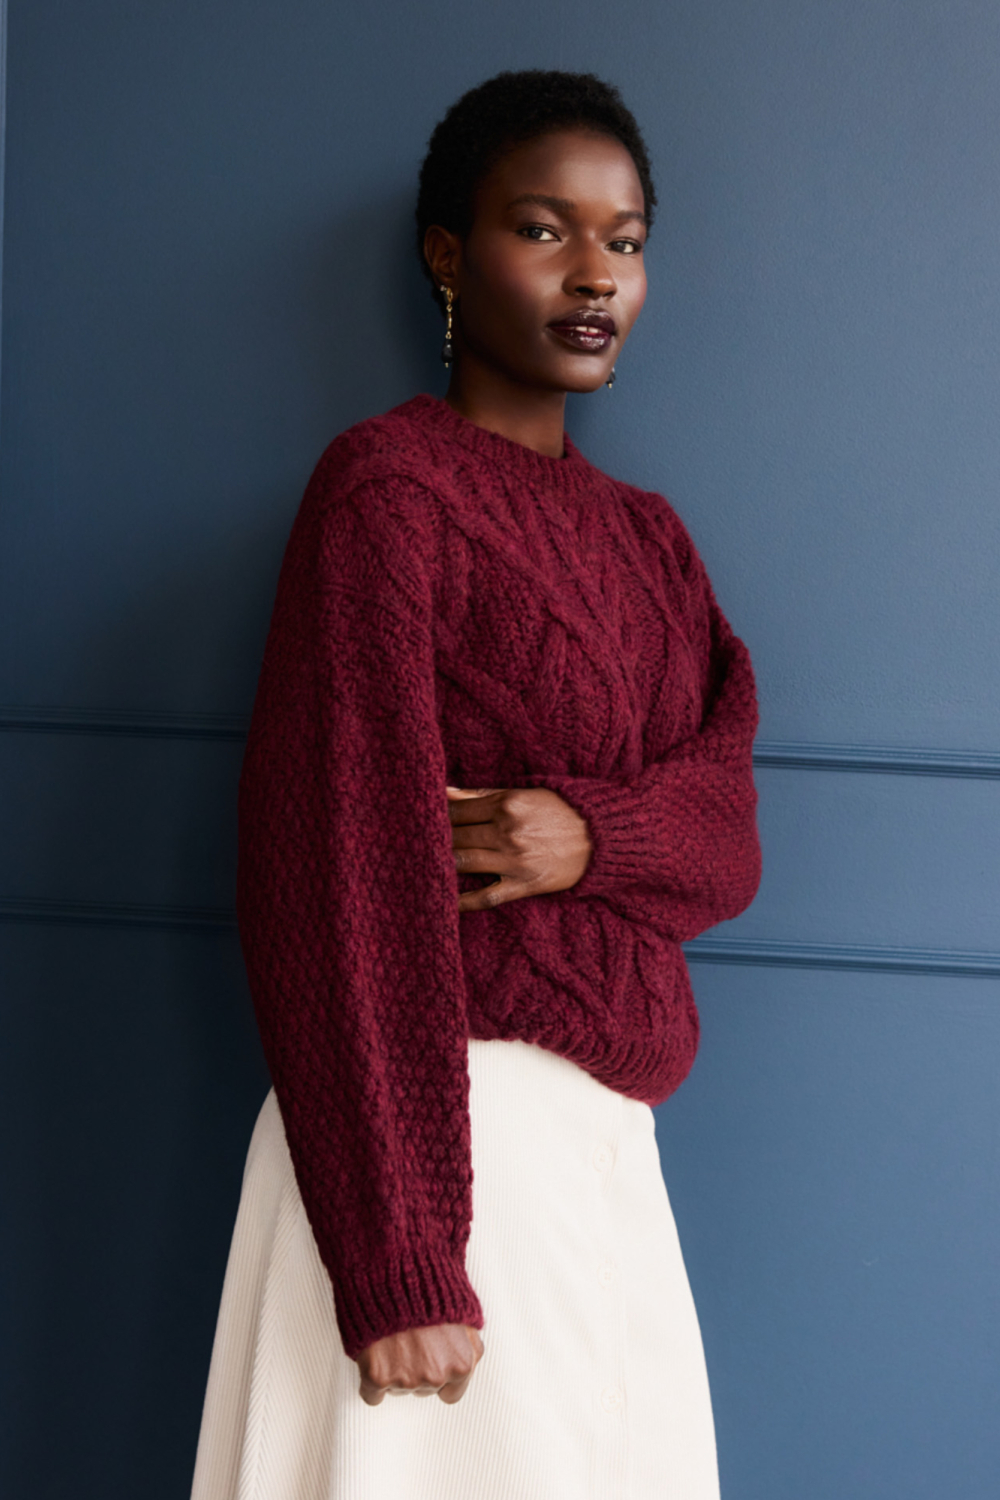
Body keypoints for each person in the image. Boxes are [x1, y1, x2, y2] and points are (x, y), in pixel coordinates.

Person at [190, 68, 761, 1500]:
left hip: (611, 1156)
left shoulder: (652, 544)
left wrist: (590, 834)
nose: (594, 274)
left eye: (625, 241)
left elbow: (728, 840)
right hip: (443, 1137)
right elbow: (329, 881)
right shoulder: (387, 493)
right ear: (449, 254)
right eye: (544, 229)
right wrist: (400, 1256)